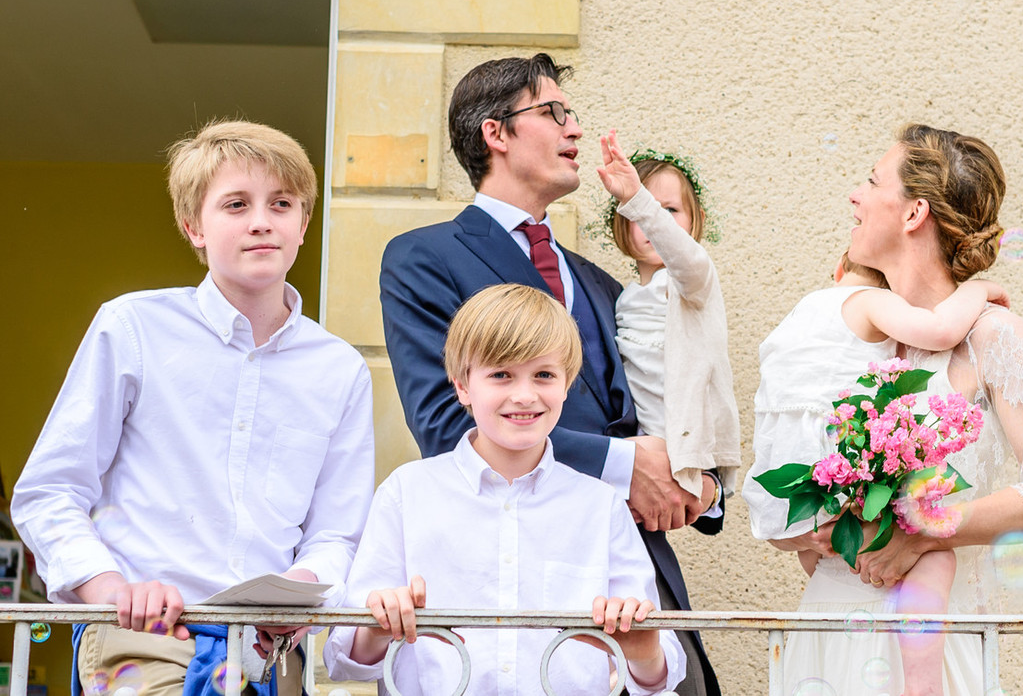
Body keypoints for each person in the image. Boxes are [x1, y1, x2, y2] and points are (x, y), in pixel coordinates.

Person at [379, 53, 721, 694]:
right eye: (555, 112)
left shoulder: (599, 281)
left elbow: (648, 409)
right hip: (502, 581)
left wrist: (692, 477)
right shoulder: (421, 258)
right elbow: (444, 424)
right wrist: (625, 465)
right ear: (496, 133)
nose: (574, 130)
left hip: (630, 589)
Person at [12, 120, 375, 694]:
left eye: (281, 203)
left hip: (268, 658)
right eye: (235, 204)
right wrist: (112, 591)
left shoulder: (341, 370)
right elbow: (49, 492)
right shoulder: (131, 328)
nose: (261, 220)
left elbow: (337, 534)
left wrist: (303, 589)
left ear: (304, 224)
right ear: (193, 227)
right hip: (145, 640)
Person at [757, 124, 1023, 695]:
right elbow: (787, 494)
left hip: (928, 644)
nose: (855, 195)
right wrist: (808, 531)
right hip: (824, 635)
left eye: (872, 181)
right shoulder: (849, 339)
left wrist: (928, 530)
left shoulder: (992, 336)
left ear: (913, 213)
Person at [324, 284, 684, 694]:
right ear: (462, 386)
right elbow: (344, 658)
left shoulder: (601, 506)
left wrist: (642, 650)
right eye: (501, 374)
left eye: (544, 375)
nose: (525, 395)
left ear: (566, 385)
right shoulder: (406, 494)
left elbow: (660, 674)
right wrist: (381, 623)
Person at [743, 253, 1008, 696]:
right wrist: (978, 291)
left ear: (836, 269)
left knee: (822, 555)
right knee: (935, 555)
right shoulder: (868, 301)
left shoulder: (801, 312)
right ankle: (922, 684)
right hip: (833, 463)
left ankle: (857, 606)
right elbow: (941, 329)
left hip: (785, 477)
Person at [595, 130, 740, 503]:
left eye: (669, 210)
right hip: (641, 443)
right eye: (640, 212)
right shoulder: (622, 296)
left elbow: (686, 257)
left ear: (695, 221)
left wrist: (639, 201)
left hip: (680, 447)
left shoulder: (691, 282)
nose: (653, 220)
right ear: (621, 223)